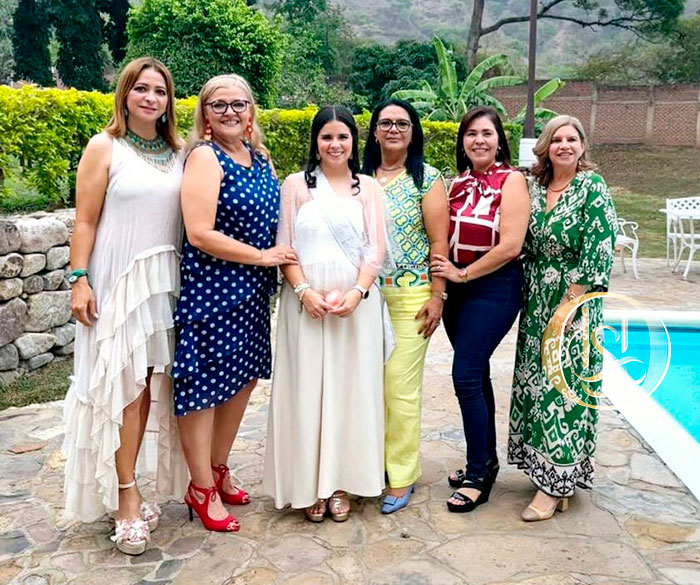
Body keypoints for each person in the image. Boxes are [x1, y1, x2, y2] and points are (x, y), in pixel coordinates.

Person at [63, 57, 187, 555]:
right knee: (122, 392)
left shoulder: (179, 152)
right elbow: (85, 221)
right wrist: (79, 280)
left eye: (160, 90)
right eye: (141, 89)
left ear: (169, 101)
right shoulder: (105, 146)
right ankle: (126, 497)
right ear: (125, 94)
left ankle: (128, 481)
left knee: (148, 388)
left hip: (163, 283)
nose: (150, 98)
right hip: (118, 280)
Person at [172, 74, 296, 532]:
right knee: (204, 388)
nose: (229, 112)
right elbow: (199, 233)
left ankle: (218, 467)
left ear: (251, 111)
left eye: (238, 104)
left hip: (252, 294)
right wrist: (263, 257)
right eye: (218, 104)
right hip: (213, 291)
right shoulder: (205, 157)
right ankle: (201, 487)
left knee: (242, 381)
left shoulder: (260, 157)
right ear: (205, 113)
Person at [264, 105, 391, 522]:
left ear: (354, 141)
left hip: (354, 309)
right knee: (306, 392)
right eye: (326, 137)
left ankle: (339, 484)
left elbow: (375, 250)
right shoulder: (296, 185)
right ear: (315, 142)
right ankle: (308, 486)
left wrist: (357, 293)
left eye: (342, 137)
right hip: (306, 306)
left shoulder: (368, 188)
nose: (335, 145)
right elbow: (285, 247)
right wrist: (303, 291)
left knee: (349, 394)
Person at [509, 115, 617, 522]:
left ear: (582, 146)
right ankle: (549, 473)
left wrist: (568, 304)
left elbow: (599, 249)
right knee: (537, 385)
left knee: (563, 388)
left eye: (572, 139)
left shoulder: (592, 187)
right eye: (557, 139)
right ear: (546, 147)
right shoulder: (535, 187)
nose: (564, 146)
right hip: (537, 297)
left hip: (574, 301)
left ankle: (554, 487)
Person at [430, 106, 530, 513]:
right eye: (471, 134)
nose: (479, 140)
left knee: (466, 375)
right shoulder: (455, 183)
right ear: (463, 142)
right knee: (477, 373)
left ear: (499, 140)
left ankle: (478, 477)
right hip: (458, 290)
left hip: (494, 287)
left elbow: (511, 245)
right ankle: (485, 460)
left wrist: (464, 274)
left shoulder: (512, 180)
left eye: (487, 133)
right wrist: (447, 280)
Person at [362, 98, 449, 514]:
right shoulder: (359, 178)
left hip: (411, 297)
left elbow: (439, 241)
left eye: (402, 123)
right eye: (385, 123)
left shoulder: (426, 179)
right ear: (374, 132)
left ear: (413, 132)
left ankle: (401, 474)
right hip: (364, 298)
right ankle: (371, 463)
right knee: (368, 386)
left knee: (399, 386)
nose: (393, 129)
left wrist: (437, 295)